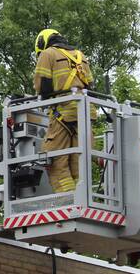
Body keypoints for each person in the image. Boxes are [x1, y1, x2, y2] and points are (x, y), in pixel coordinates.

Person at [32, 28, 94, 193]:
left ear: (42, 43)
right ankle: (82, 198)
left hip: (64, 112)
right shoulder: (81, 56)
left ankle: (68, 200)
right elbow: (91, 86)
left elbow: (42, 87)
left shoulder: (48, 54)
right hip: (86, 112)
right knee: (78, 165)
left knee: (55, 163)